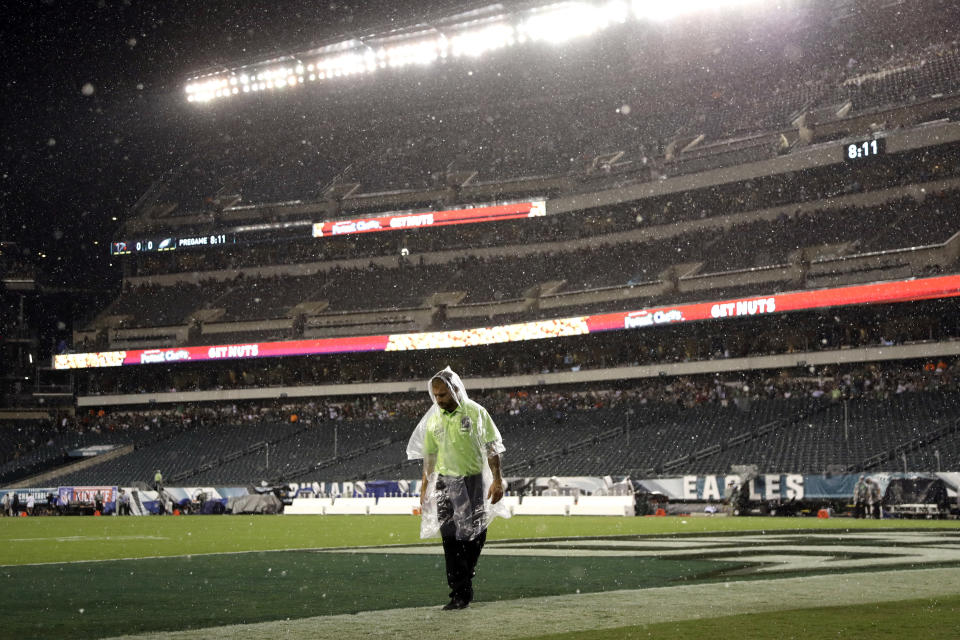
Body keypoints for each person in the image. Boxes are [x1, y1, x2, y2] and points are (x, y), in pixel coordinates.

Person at [407, 367, 508, 611]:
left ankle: (465, 574)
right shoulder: (434, 421)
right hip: (444, 484)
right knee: (450, 539)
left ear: (454, 390)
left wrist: (497, 480)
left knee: (473, 535)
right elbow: (429, 458)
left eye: (442, 395)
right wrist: (425, 488)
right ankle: (459, 593)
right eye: (435, 395)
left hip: (471, 481)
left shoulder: (475, 413)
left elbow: (492, 448)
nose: (438, 400)